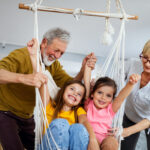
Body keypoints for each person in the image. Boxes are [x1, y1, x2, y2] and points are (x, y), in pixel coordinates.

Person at [0, 28, 97, 150]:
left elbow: (70, 86)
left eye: (61, 53)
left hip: (27, 116)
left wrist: (83, 70)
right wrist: (23, 78)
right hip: (5, 112)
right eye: (56, 50)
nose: (57, 56)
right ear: (44, 43)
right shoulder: (21, 55)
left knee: (38, 145)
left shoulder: (53, 65)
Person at [28, 39, 99, 150]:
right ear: (63, 90)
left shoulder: (78, 111)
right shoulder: (50, 105)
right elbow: (41, 78)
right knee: (61, 123)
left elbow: (85, 122)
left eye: (79, 94)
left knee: (78, 128)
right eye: (72, 89)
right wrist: (33, 56)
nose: (75, 93)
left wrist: (93, 140)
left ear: (80, 101)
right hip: (48, 145)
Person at [83, 59, 140, 150]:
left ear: (111, 99)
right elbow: (86, 84)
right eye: (100, 93)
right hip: (91, 138)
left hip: (105, 138)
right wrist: (88, 67)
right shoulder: (88, 104)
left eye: (108, 95)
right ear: (92, 94)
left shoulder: (110, 109)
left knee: (112, 142)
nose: (103, 97)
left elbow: (121, 97)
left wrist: (131, 83)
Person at [121, 40, 150, 150]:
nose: (147, 64)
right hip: (130, 116)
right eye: (145, 57)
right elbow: (113, 83)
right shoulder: (132, 64)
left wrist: (128, 131)